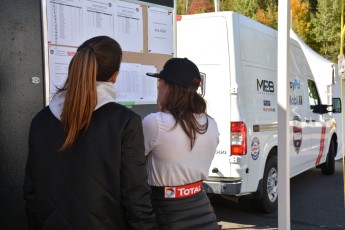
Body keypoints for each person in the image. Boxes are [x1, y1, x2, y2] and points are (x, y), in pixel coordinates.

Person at [23, 36, 156, 230]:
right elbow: (136, 199)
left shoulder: (41, 120)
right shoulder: (125, 122)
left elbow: (31, 194)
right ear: (115, 76)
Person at [142, 57, 220, 230]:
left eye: (159, 82)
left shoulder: (155, 123)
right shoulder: (210, 123)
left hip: (167, 212)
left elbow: (133, 165)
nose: (157, 87)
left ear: (168, 86)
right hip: (203, 209)